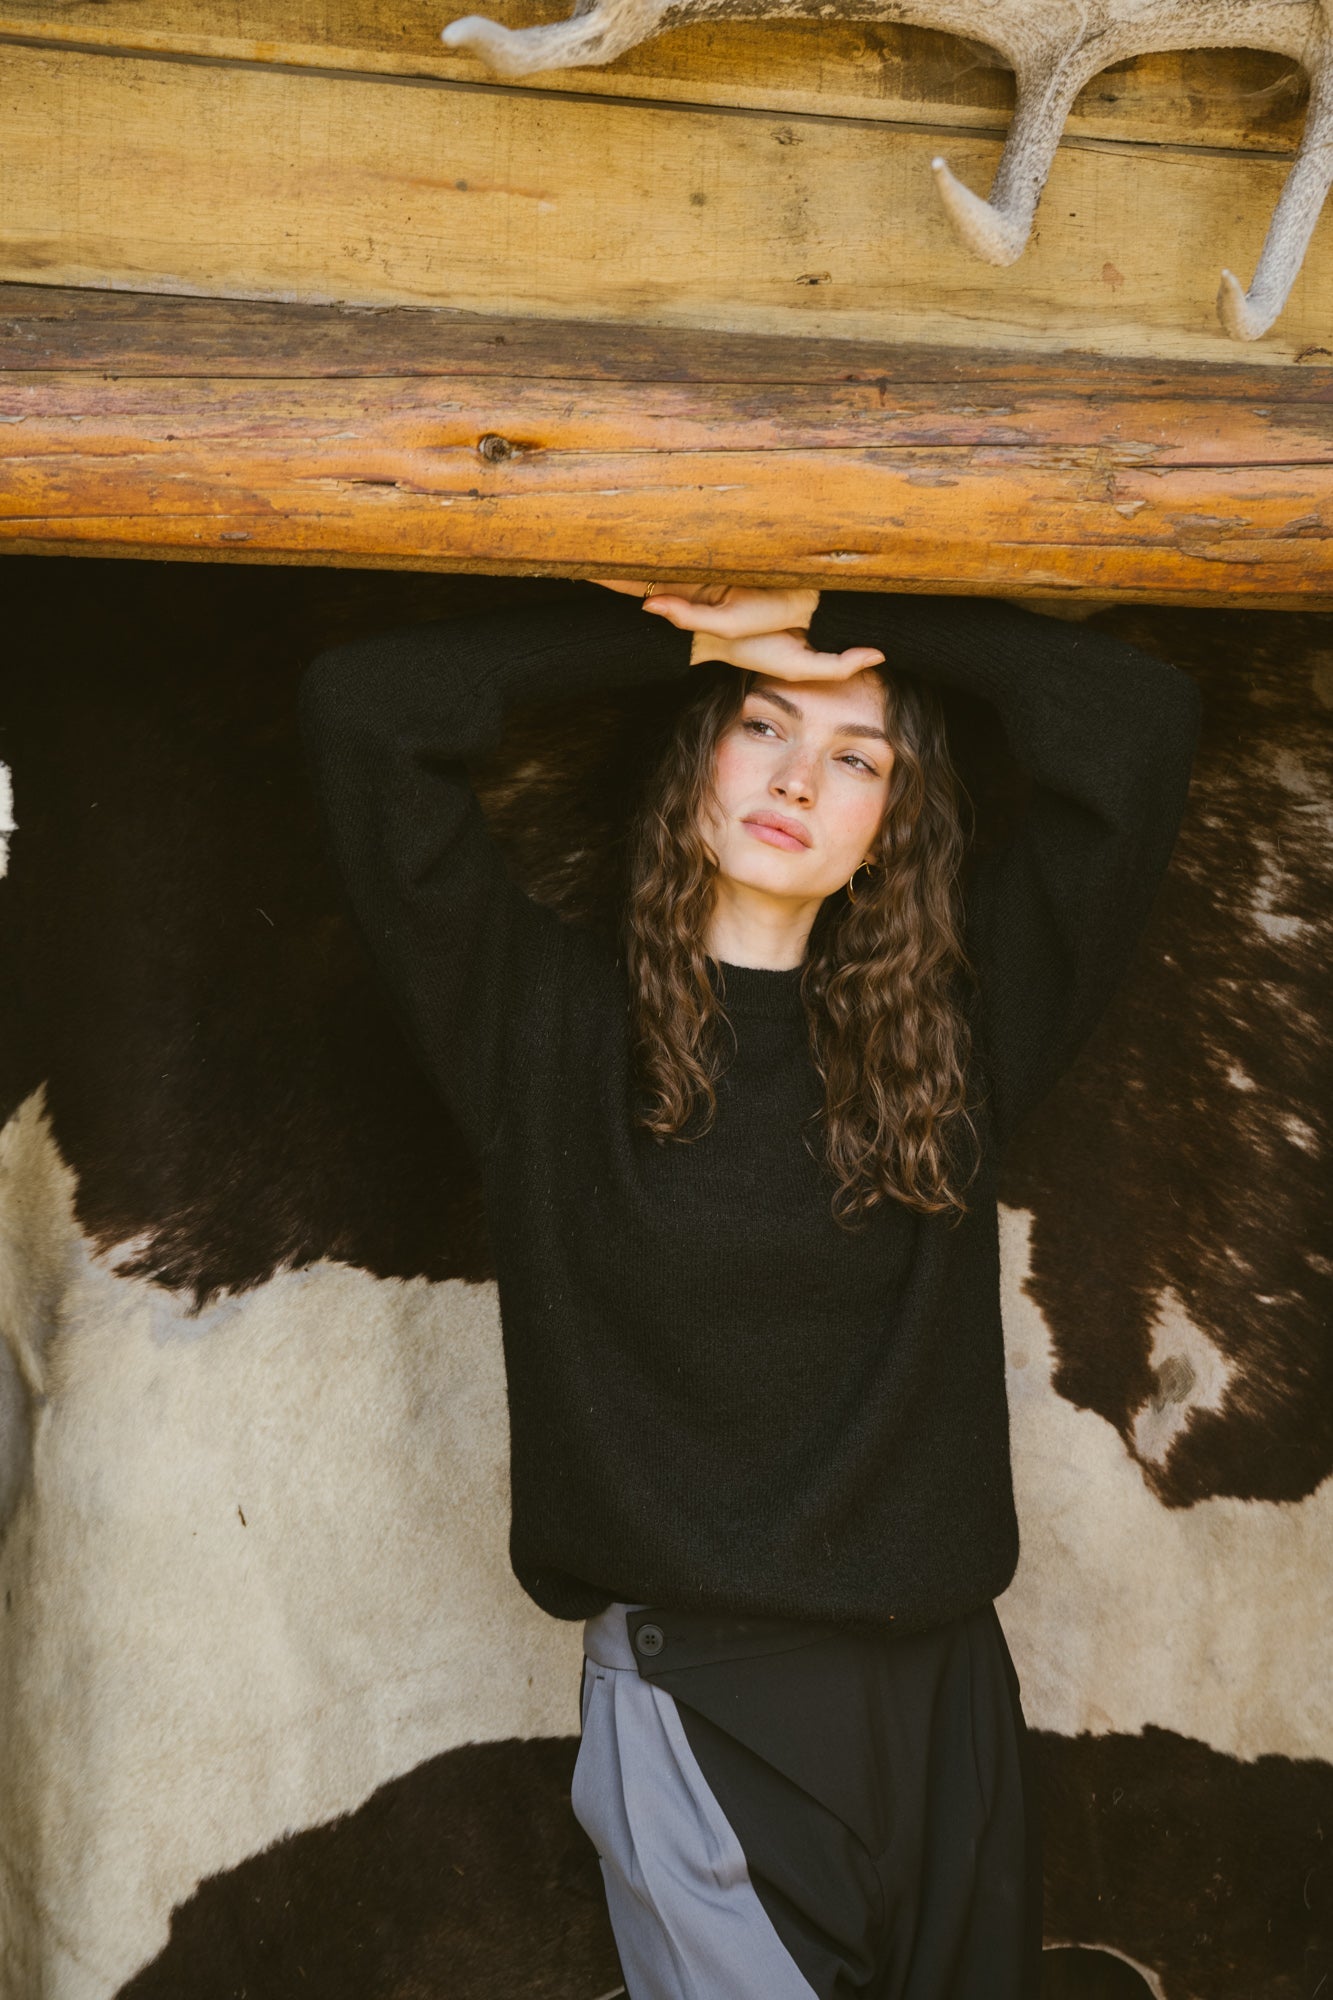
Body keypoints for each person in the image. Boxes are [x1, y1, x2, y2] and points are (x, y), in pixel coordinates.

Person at [297, 577, 1202, 2000]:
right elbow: (366, 713)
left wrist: (834, 610)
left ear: (892, 825)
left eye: (857, 758)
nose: (797, 779)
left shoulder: (952, 1041)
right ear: (695, 753)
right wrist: (701, 632)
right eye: (763, 726)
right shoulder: (540, 1028)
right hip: (700, 1694)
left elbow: (1136, 720)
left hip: (945, 1697)